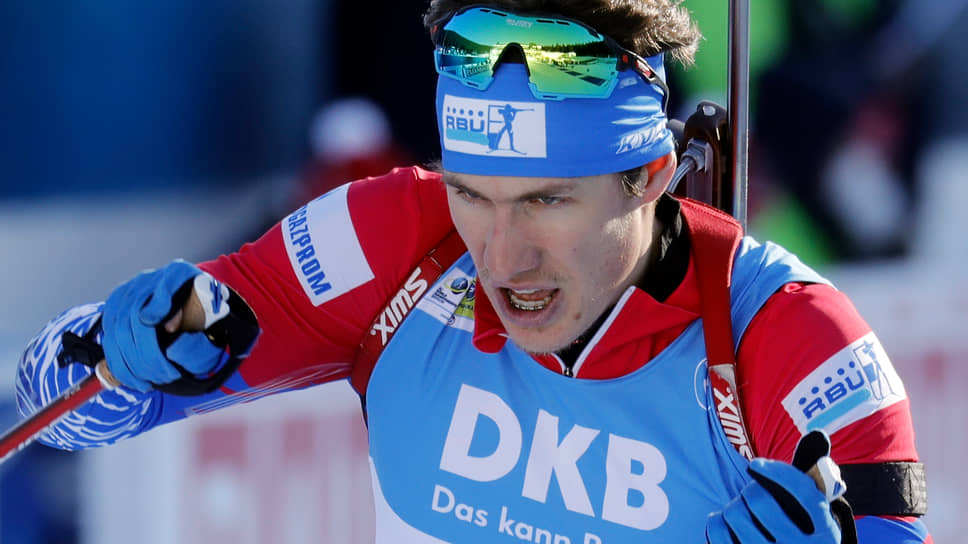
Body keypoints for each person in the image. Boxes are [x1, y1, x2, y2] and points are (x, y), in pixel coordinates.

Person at [14, 1, 931, 542]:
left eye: (547, 201)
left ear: (653, 175)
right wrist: (111, 350)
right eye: (472, 195)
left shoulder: (795, 342)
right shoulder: (395, 238)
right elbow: (59, 410)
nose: (500, 254)